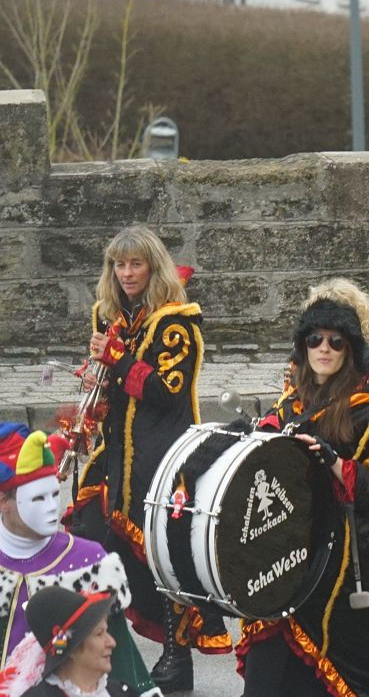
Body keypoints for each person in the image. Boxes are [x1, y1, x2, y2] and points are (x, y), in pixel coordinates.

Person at [65, 226, 230, 692]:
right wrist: (88, 411)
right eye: (119, 265)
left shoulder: (177, 322)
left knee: (162, 559)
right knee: (90, 543)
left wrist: (117, 359)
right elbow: (107, 385)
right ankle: (102, 655)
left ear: (152, 267)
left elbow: (166, 392)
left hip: (162, 454)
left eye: (135, 264)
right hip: (113, 454)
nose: (126, 273)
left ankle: (177, 661)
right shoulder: (108, 314)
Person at [237, 295, 369, 696]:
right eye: (315, 340)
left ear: (350, 349)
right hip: (286, 562)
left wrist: (334, 462)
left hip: (341, 569)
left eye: (335, 342)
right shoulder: (288, 405)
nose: (324, 349)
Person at [0, 425, 158, 696]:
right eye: (38, 498)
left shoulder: (89, 562)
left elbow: (120, 662)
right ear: (3, 501)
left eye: (54, 493)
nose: (53, 507)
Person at [0, 586, 130, 696]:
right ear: (72, 649)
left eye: (106, 631)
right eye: (99, 634)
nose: (112, 642)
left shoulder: (121, 692)